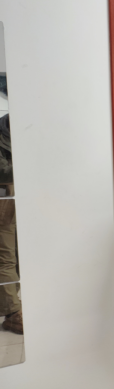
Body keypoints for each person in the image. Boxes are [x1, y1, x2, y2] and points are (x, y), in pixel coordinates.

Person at [0, 114, 22, 335]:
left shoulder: (23, 134)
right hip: (3, 204)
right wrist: (27, 162)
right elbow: (2, 172)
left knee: (20, 256)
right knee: (6, 258)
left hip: (21, 202)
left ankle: (13, 302)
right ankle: (12, 313)